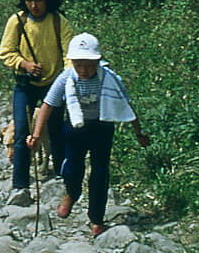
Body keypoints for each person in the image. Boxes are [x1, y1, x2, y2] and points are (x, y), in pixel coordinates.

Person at [28, 32, 150, 237]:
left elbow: (127, 105)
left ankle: (96, 219)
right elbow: (47, 105)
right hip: (75, 129)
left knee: (100, 173)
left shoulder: (110, 79)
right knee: (73, 167)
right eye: (79, 65)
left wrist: (139, 132)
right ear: (72, 62)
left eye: (89, 65)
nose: (84, 70)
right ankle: (72, 193)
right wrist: (37, 134)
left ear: (98, 61)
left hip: (102, 128)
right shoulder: (66, 78)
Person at [0, 0, 73, 203]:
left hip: (54, 84)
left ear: (48, 0)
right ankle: (20, 183)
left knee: (57, 130)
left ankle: (62, 176)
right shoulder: (17, 22)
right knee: (22, 131)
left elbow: (69, 55)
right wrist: (24, 64)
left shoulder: (59, 22)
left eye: (38, 0)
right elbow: (5, 52)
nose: (34, 5)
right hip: (25, 83)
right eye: (30, 0)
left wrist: (67, 78)